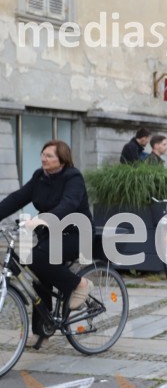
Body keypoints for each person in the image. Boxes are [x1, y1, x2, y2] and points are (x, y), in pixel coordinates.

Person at [0, 141, 94, 343]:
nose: (44, 158)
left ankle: (80, 284)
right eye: (43, 154)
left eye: (50, 155)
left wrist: (42, 219)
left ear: (62, 158)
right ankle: (42, 330)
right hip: (51, 234)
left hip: (76, 233)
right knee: (38, 274)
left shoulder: (73, 177)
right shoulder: (40, 177)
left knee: (37, 258)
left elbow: (69, 203)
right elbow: (17, 198)